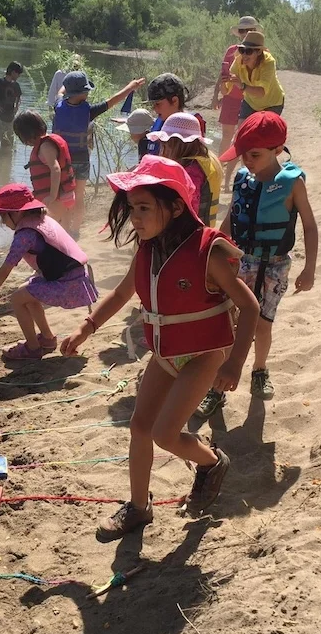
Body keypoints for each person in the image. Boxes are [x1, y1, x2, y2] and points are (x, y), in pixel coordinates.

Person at [60, 155, 259, 540]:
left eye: (144, 208)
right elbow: (121, 293)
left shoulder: (209, 252)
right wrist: (86, 328)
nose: (135, 217)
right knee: (139, 426)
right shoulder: (149, 249)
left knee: (166, 435)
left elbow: (250, 307)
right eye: (132, 208)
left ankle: (212, 462)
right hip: (165, 353)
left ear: (176, 206)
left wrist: (235, 364)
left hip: (203, 355)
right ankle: (138, 508)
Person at [196, 112, 317, 417]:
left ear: (278, 150)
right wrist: (214, 251)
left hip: (275, 265)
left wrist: (310, 268)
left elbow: (311, 227)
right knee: (229, 323)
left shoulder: (292, 183)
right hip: (240, 262)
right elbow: (230, 221)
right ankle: (216, 386)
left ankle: (259, 370)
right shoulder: (242, 180)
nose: (247, 160)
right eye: (243, 154)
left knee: (262, 325)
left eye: (255, 154)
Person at [0, 183, 97, 360]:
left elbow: (4, 271)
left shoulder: (24, 236)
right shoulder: (43, 219)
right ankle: (47, 338)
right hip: (78, 278)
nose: (2, 222)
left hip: (70, 285)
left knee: (17, 299)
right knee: (28, 291)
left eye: (2, 215)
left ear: (16, 212)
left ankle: (32, 349)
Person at [52, 71, 144, 235]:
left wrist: (68, 82)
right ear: (83, 92)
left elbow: (60, 92)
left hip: (63, 161)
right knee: (79, 196)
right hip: (82, 159)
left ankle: (65, 230)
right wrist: (130, 87)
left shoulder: (58, 106)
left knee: (65, 197)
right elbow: (113, 101)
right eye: (86, 90)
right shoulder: (88, 111)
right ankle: (76, 230)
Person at [211, 16, 263, 191]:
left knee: (242, 138)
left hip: (248, 98)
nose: (245, 34)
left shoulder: (260, 52)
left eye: (248, 30)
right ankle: (219, 175)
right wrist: (216, 94)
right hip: (230, 97)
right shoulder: (232, 50)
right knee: (227, 135)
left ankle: (241, 179)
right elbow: (223, 72)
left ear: (254, 32)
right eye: (242, 30)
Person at [147, 112, 222, 227]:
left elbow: (189, 210)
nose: (162, 152)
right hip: (203, 230)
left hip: (190, 235)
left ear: (176, 145)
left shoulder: (191, 171)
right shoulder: (207, 157)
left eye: (165, 145)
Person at [12, 109, 75, 229]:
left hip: (57, 197)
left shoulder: (45, 146)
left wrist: (52, 195)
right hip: (64, 194)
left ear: (26, 134)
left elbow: (56, 169)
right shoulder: (49, 141)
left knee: (51, 228)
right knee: (63, 228)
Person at [229, 31, 285, 122]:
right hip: (250, 102)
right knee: (242, 131)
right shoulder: (239, 60)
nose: (244, 55)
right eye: (242, 50)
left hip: (272, 104)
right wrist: (225, 82)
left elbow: (261, 92)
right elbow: (228, 81)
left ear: (259, 51)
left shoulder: (268, 62)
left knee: (263, 133)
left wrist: (242, 86)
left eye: (249, 51)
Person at [145, 73, 191, 156]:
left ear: (174, 101)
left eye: (158, 104)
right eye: (152, 104)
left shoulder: (190, 126)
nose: (154, 109)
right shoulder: (159, 122)